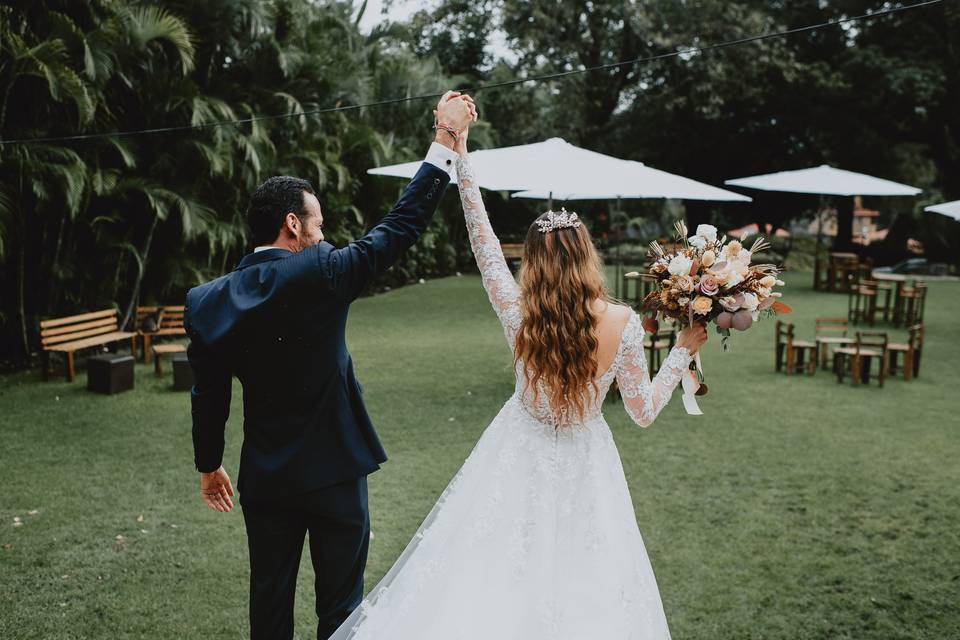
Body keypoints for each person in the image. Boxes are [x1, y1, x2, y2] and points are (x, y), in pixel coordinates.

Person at [329, 109, 708, 639]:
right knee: (589, 582)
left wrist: (462, 159)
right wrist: (683, 351)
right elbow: (642, 412)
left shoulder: (519, 313)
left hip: (515, 451)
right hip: (587, 460)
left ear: (533, 260)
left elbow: (482, 242)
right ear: (587, 258)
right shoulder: (623, 324)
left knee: (488, 572)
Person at [184, 90, 477, 640]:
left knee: (268, 604)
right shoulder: (322, 270)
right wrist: (444, 140)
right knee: (342, 609)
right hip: (336, 472)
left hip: (266, 478)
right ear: (293, 225)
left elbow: (209, 395)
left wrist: (208, 464)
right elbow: (399, 228)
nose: (324, 233)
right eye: (318, 223)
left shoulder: (207, 302)